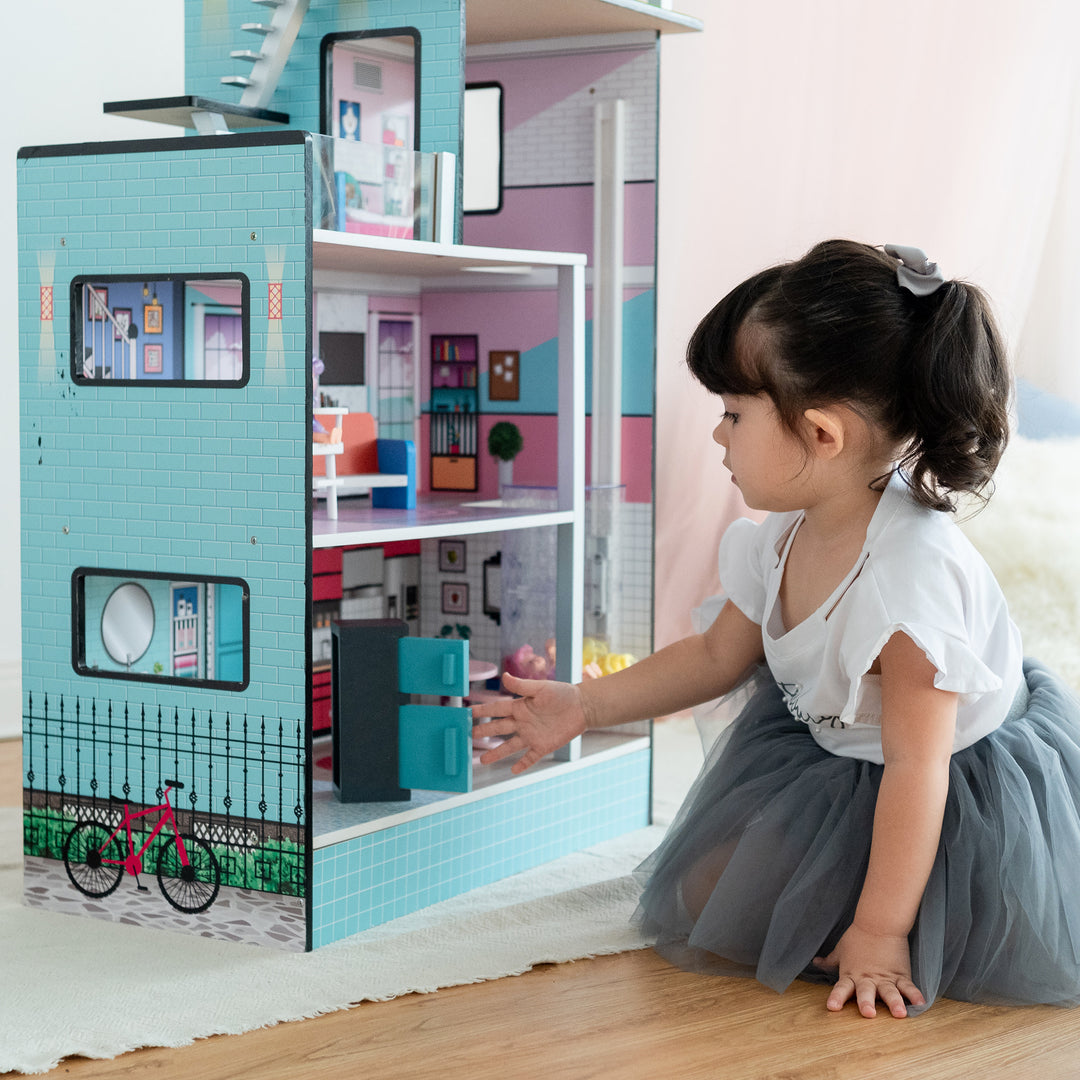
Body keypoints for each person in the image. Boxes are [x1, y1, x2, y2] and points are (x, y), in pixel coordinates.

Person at [471, 240, 1080, 1019]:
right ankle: (854, 894)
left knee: (900, 927)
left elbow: (916, 769)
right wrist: (587, 705)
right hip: (843, 752)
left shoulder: (910, 586)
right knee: (704, 897)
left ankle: (898, 909)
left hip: (945, 784)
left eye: (733, 414)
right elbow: (718, 655)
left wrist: (880, 930)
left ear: (822, 435)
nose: (718, 437)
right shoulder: (783, 533)